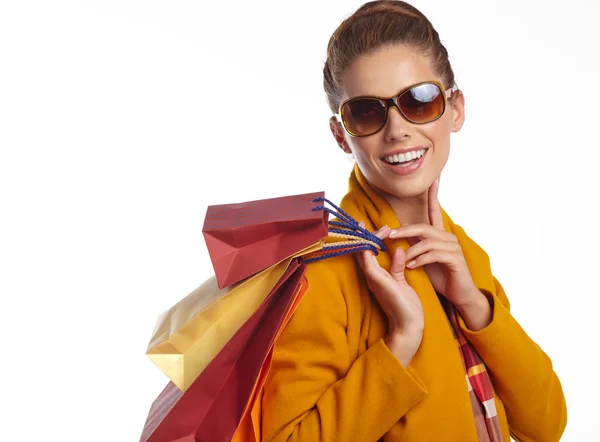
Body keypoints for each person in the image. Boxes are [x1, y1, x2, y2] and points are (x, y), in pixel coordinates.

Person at [260, 1, 567, 441]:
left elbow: (545, 426)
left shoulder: (460, 250)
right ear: (339, 135)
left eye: (419, 101)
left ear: (455, 108)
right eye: (367, 112)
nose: (398, 129)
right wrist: (400, 341)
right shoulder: (323, 269)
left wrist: (475, 306)